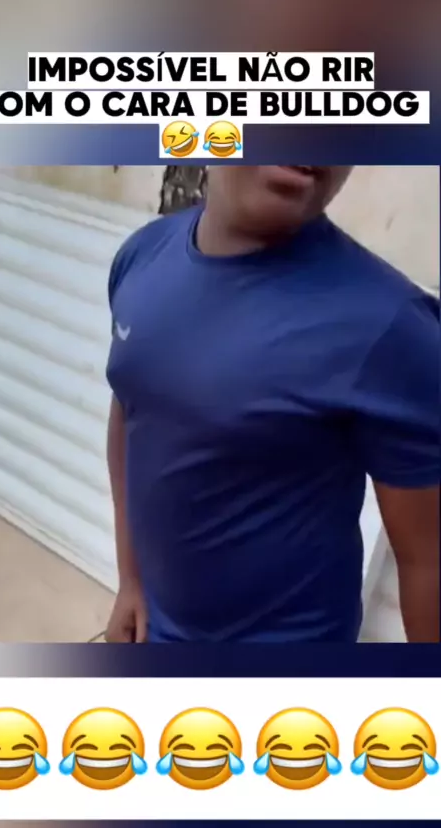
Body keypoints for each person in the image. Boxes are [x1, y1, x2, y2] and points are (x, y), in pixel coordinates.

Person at [105, 166, 439, 643]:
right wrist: (131, 580)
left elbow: (428, 561)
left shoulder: (391, 326)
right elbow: (132, 409)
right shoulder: (141, 257)